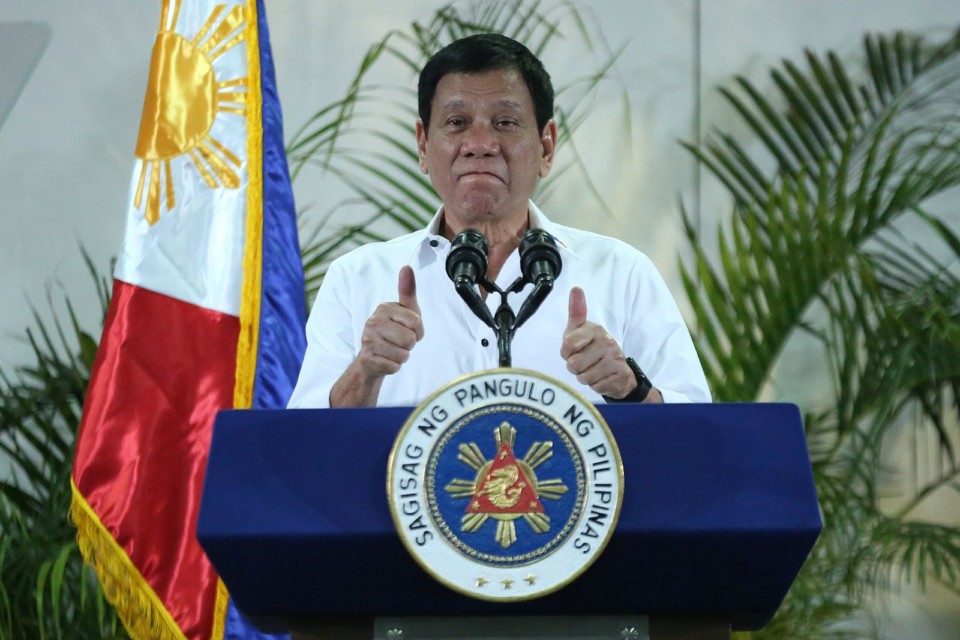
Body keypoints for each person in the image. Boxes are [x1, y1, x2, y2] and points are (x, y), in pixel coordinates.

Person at [288, 33, 711, 409]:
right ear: (423, 145)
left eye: (505, 123)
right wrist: (367, 371)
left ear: (546, 146)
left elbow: (694, 439)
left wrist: (631, 389)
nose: (480, 144)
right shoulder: (356, 279)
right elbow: (306, 449)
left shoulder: (620, 273)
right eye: (457, 123)